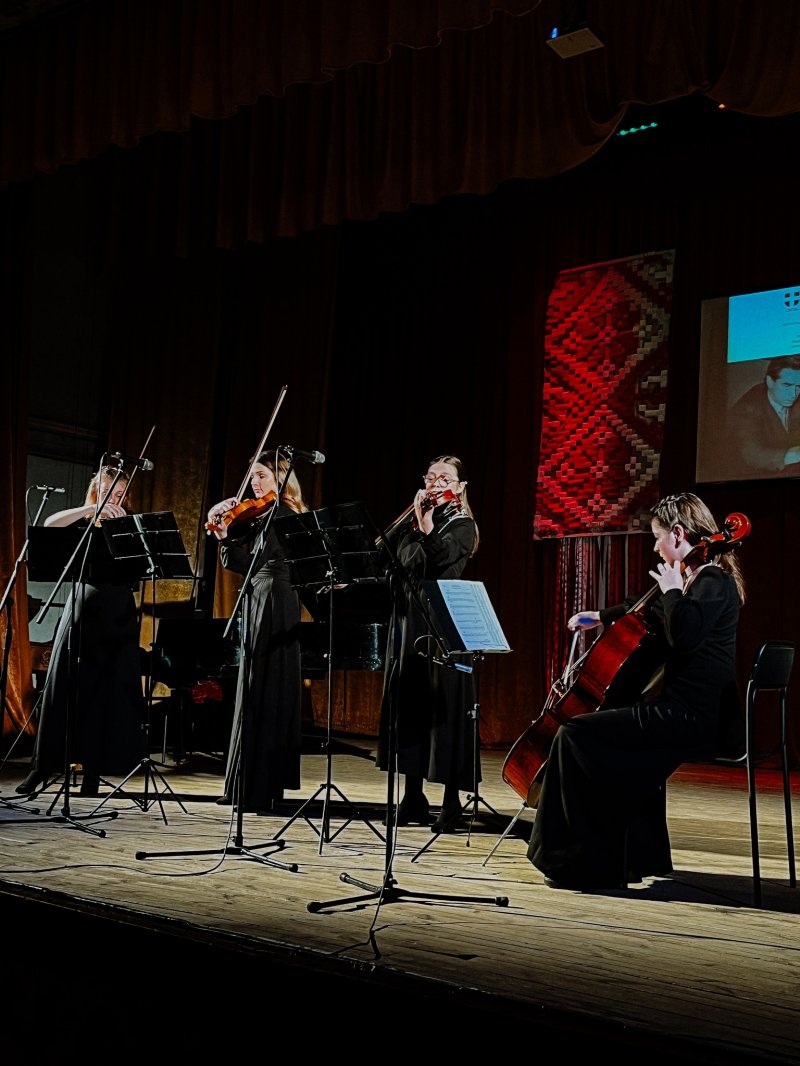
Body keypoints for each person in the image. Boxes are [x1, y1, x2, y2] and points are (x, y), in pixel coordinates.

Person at [527, 491, 746, 891]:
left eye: (658, 537)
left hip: (692, 717)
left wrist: (673, 589)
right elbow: (645, 610)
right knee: (614, 750)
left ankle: (574, 861)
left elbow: (684, 635)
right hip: (681, 711)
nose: (655, 547)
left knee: (574, 734)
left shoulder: (712, 581)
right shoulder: (696, 580)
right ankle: (631, 858)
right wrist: (601, 615)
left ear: (677, 534)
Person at [16, 464, 147, 797]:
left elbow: (141, 569)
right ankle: (41, 767)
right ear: (96, 492)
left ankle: (93, 773)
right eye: (107, 492)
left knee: (104, 693)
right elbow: (49, 525)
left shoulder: (130, 528)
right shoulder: (83, 522)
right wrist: (92, 510)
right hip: (81, 609)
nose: (114, 499)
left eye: (120, 494)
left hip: (117, 613)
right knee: (62, 686)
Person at [376, 454, 480, 833]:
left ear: (460, 487)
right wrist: (413, 522)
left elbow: (436, 560)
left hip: (443, 623)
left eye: (445, 478)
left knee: (445, 712)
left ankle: (451, 803)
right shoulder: (412, 524)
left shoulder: (463, 525)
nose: (436, 483)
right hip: (409, 620)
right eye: (431, 477)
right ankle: (413, 797)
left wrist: (425, 524)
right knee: (411, 708)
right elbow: (386, 558)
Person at [207, 450, 308, 814]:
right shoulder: (263, 515)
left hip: (276, 598)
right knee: (251, 687)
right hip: (258, 595)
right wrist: (223, 534)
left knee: (265, 685)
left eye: (262, 476)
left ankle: (261, 786)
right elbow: (239, 563)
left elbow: (255, 563)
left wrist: (229, 533)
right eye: (252, 476)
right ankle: (245, 784)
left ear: (281, 479)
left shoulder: (282, 515)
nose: (255, 483)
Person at [727, 354, 800, 476]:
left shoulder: (796, 398)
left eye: (799, 386)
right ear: (770, 382)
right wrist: (793, 455)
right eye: (787, 385)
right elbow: (751, 454)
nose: (794, 394)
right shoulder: (746, 409)